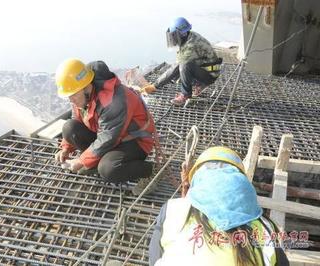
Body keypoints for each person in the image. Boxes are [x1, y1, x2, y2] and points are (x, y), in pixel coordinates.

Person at [149, 146, 289, 266]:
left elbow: (154, 259)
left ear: (197, 178)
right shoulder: (266, 228)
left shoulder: (173, 210)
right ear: (241, 183)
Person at [54, 58, 158, 195]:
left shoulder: (113, 102)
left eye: (73, 95)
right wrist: (66, 148)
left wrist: (81, 160)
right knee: (69, 128)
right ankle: (96, 161)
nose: (71, 100)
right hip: (109, 136)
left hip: (134, 140)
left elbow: (108, 138)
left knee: (108, 169)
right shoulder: (82, 96)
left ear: (85, 87)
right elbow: (76, 119)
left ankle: (150, 170)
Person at [143, 17, 222, 106]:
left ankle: (185, 95)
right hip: (203, 69)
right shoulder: (188, 38)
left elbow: (177, 67)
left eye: (174, 35)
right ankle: (198, 84)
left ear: (182, 34)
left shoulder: (191, 45)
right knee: (178, 73)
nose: (173, 38)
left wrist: (155, 85)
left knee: (184, 66)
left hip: (210, 75)